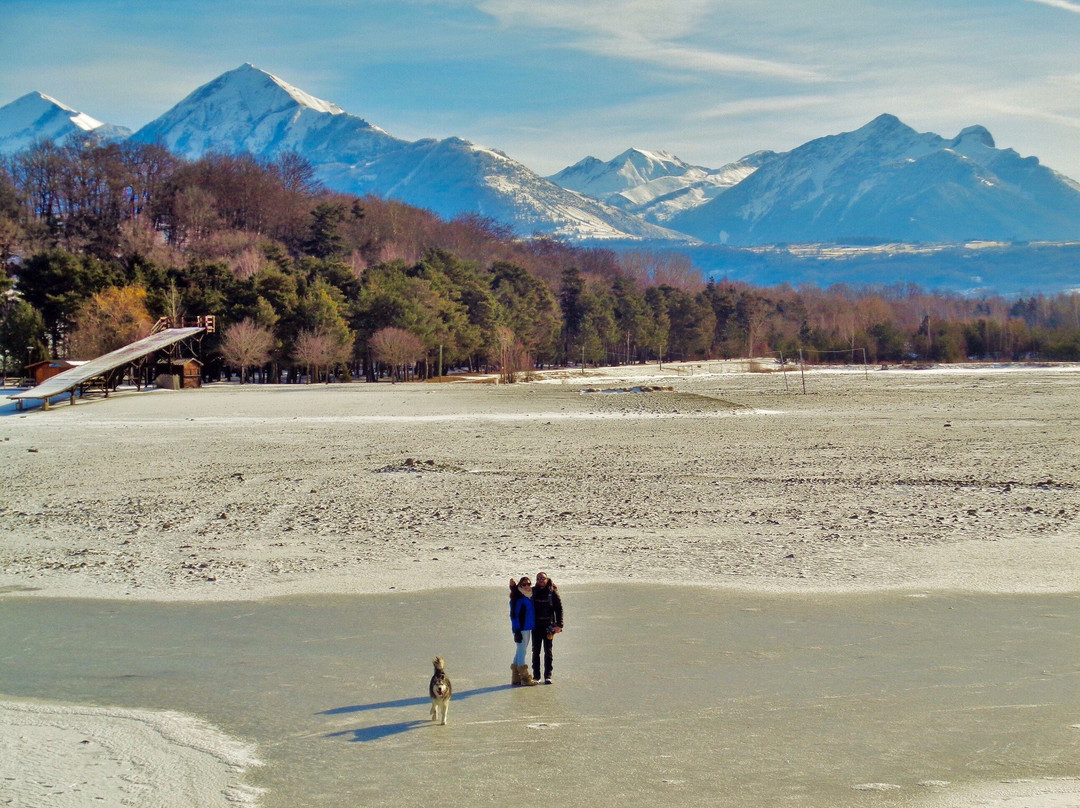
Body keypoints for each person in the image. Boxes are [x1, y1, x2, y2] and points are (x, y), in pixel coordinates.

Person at [530, 571, 563, 684]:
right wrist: (512, 586)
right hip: (536, 626)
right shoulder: (533, 591)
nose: (541, 580)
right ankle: (536, 676)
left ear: (547, 579)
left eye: (543, 578)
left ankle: (548, 676)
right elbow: (519, 593)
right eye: (538, 578)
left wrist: (559, 625)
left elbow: (559, 609)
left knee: (548, 651)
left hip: (549, 626)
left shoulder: (552, 592)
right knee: (535, 651)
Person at [509, 576, 538, 686]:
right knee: (522, 651)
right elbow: (514, 616)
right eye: (524, 584)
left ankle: (516, 677)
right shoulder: (518, 599)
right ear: (519, 586)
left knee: (520, 650)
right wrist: (517, 631)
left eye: (528, 584)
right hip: (521, 629)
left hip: (527, 627)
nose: (527, 586)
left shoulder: (528, 596)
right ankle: (525, 678)